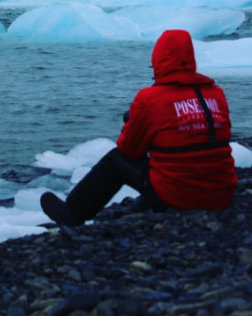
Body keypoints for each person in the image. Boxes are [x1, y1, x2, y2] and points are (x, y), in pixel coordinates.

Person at [41, 29, 237, 226]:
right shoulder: (216, 93)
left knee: (116, 160)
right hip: (221, 194)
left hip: (178, 197)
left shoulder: (150, 99)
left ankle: (73, 213)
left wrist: (133, 123)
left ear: (159, 60)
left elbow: (129, 149)